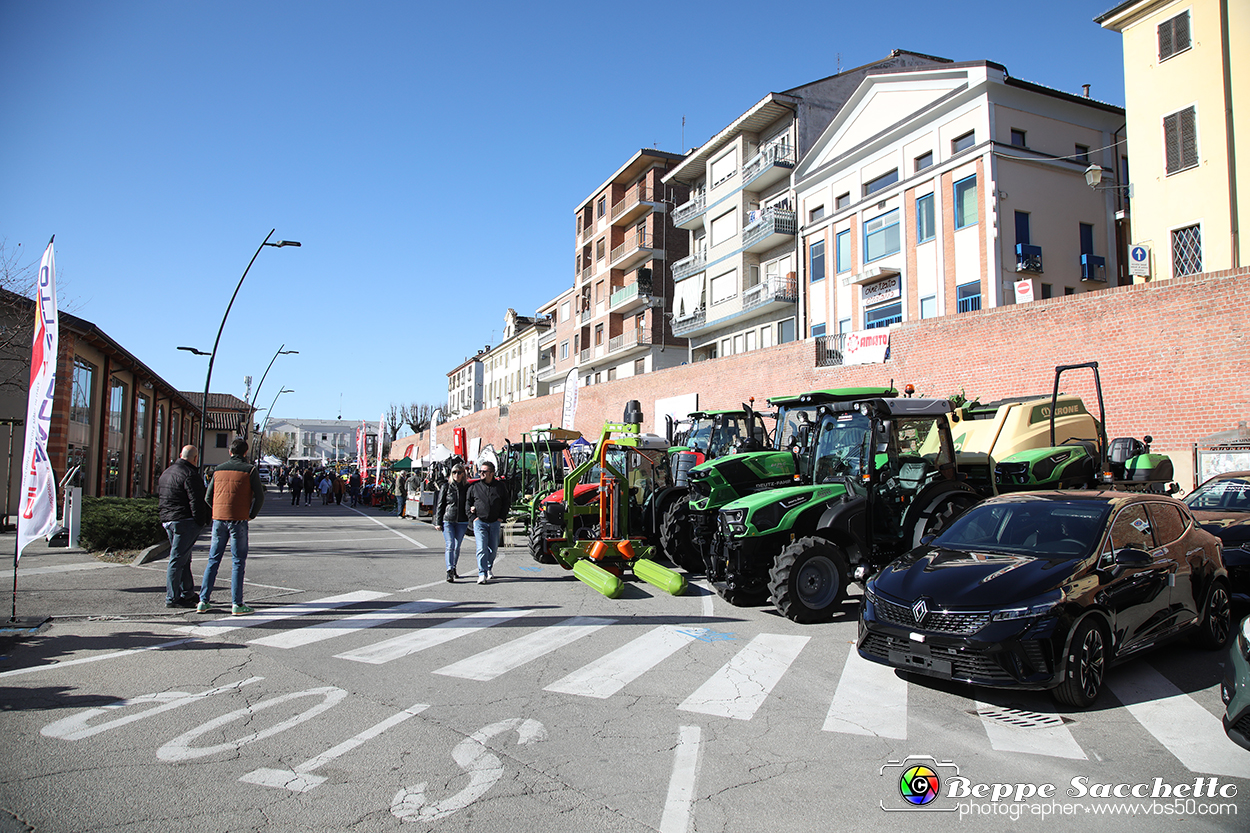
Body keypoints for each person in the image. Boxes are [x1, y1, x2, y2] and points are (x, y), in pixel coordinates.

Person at [198, 438, 265, 615]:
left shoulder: (218, 470)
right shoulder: (250, 470)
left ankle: (203, 600)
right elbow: (259, 496)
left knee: (213, 559)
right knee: (238, 561)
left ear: (230, 452)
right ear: (245, 452)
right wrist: (251, 514)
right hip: (239, 519)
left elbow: (207, 496)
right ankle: (237, 603)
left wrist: (218, 510)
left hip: (219, 519)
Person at [157, 445, 209, 608]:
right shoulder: (190, 475)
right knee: (178, 559)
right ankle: (172, 597)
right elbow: (197, 501)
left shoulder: (167, 472)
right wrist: (201, 521)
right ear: (195, 458)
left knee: (183, 558)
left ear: (181, 455)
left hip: (168, 519)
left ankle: (187, 592)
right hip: (184, 520)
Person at [466, 460, 509, 584]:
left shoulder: (500, 487)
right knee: (481, 548)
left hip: (495, 522)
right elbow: (468, 502)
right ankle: (481, 573)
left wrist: (501, 517)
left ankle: (489, 568)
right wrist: (473, 517)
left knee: (493, 548)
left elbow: (506, 502)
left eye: (484, 471)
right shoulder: (475, 487)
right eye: (480, 471)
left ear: (492, 473)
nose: (481, 474)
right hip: (480, 522)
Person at [434, 464, 471, 582]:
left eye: (459, 472)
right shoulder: (446, 486)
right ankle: (449, 570)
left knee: (457, 546)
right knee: (450, 545)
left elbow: (470, 501)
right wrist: (437, 522)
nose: (457, 475)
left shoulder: (467, 487)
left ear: (463, 474)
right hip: (448, 519)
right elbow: (440, 505)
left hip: (462, 520)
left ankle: (454, 567)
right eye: (454, 472)